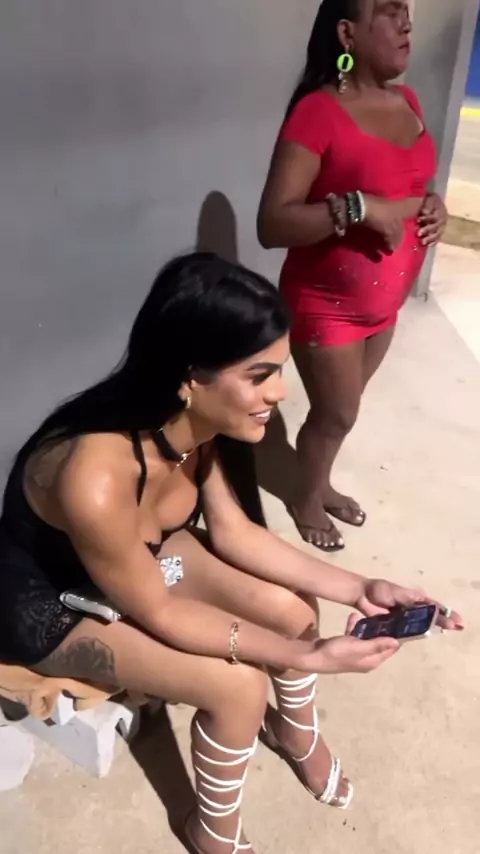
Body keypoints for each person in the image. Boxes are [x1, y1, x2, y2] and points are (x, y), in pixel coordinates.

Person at [0, 254, 461, 854]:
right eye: (259, 375)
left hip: (143, 561)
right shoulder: (95, 477)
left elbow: (236, 533)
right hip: (54, 602)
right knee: (238, 687)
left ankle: (295, 734)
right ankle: (212, 833)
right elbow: (162, 612)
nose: (280, 392)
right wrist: (309, 656)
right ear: (191, 377)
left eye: (279, 370)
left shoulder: (197, 428)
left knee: (293, 610)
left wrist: (360, 588)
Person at [257, 0, 448, 551]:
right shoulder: (317, 112)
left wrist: (433, 205)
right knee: (337, 413)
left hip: (385, 302)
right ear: (348, 34)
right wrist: (358, 207)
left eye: (406, 10)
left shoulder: (408, 102)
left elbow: (411, 185)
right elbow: (273, 222)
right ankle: (306, 498)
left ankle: (318, 481)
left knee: (340, 413)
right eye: (388, 12)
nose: (406, 22)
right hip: (327, 304)